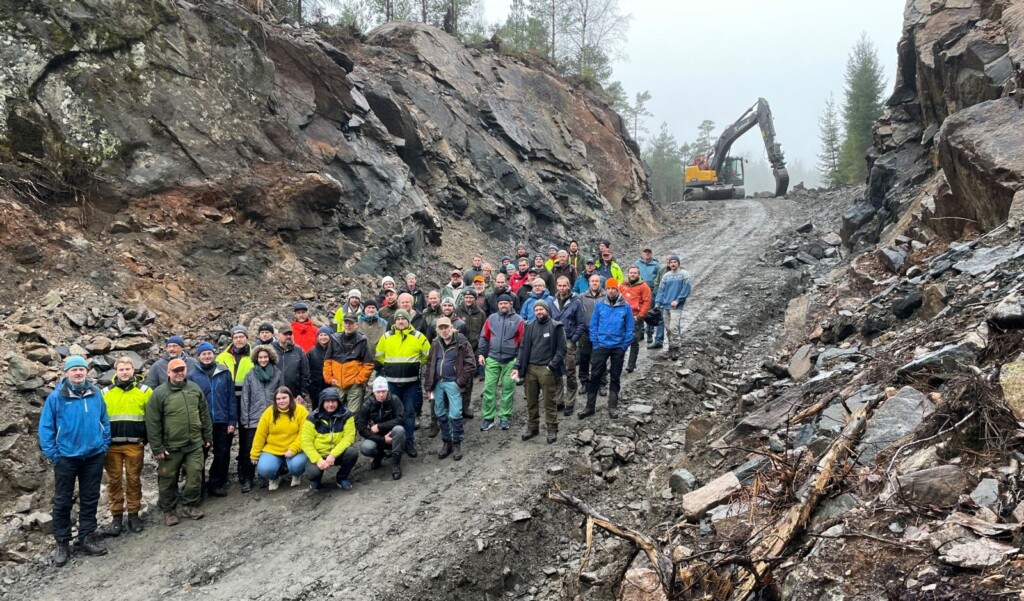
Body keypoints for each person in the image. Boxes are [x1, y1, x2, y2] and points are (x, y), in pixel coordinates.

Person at [39, 356, 110, 566]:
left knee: (90, 497)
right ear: (66, 373)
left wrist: (103, 444)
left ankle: (87, 537)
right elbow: (46, 427)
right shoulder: (56, 397)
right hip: (66, 457)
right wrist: (54, 454)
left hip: (93, 456)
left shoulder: (95, 393)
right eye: (74, 370)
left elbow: (104, 419)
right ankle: (62, 542)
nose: (78, 373)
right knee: (62, 500)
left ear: (87, 371)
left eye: (81, 369)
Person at [146, 358, 212, 525]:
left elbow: (204, 413)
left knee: (195, 476)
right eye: (175, 370)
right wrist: (157, 448)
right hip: (170, 447)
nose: (179, 373)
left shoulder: (194, 388)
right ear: (168, 372)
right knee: (167, 480)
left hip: (194, 444)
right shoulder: (159, 393)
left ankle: (190, 506)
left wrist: (207, 436)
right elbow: (152, 422)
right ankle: (169, 511)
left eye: (182, 370)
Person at [100, 356, 152, 536]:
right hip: (111, 447)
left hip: (134, 445)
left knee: (133, 480)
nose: (124, 372)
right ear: (116, 371)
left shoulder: (145, 391)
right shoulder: (105, 392)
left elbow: (152, 417)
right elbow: (98, 419)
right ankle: (116, 517)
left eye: (127, 369)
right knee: (114, 481)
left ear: (133, 370)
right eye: (121, 369)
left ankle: (133, 514)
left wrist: (146, 439)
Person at [375, 310, 430, 458]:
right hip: (392, 383)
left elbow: (426, 355)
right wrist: (390, 367)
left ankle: (409, 441)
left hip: (411, 384)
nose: (400, 321)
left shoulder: (418, 336)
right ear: (394, 322)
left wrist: (415, 366)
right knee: (392, 413)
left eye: (403, 319)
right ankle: (393, 441)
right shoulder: (386, 337)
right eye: (398, 319)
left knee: (409, 412)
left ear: (408, 321)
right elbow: (379, 355)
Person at [512, 301, 566, 444]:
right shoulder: (529, 326)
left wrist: (552, 366)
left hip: (546, 369)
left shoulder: (556, 326)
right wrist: (518, 366)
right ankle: (533, 427)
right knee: (531, 401)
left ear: (547, 310)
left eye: (541, 309)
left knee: (549, 401)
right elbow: (523, 347)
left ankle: (552, 429)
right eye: (536, 310)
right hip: (530, 368)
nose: (538, 312)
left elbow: (562, 349)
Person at [423, 317, 475, 461]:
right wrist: (428, 385)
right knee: (440, 412)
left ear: (451, 327)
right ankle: (447, 442)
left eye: (446, 327)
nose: (444, 330)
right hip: (438, 383)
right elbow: (430, 364)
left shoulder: (461, 342)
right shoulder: (435, 343)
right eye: (441, 328)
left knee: (455, 413)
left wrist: (460, 382)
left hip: (453, 382)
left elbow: (471, 364)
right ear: (437, 330)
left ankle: (457, 443)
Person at [581, 279, 633, 419]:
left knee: (615, 377)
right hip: (601, 346)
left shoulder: (625, 306)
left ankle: (612, 406)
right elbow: (593, 325)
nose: (610, 291)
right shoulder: (600, 305)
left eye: (613, 288)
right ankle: (589, 407)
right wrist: (595, 342)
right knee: (595, 375)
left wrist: (624, 346)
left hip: (618, 347)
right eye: (608, 288)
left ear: (617, 289)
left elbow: (629, 328)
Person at [191, 341, 236, 498]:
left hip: (222, 420)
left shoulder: (224, 373)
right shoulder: (192, 376)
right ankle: (200, 485)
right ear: (199, 356)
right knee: (200, 455)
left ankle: (217, 483)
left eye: (209, 353)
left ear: (213, 354)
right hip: (202, 423)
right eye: (203, 354)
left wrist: (232, 421)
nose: (207, 356)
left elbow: (231, 398)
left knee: (222, 453)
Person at [238, 345, 283, 492]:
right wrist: (245, 419)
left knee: (269, 447)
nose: (263, 360)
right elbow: (245, 398)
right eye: (260, 357)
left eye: (265, 357)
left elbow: (282, 396)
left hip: (272, 418)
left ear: (270, 358)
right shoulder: (250, 375)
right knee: (250, 449)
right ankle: (248, 478)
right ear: (256, 359)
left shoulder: (277, 374)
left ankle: (265, 475)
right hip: (254, 418)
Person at [478, 294, 524, 431]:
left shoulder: (519, 320)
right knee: (489, 389)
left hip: (510, 360)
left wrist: (518, 362)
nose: (503, 305)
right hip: (492, 358)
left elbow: (523, 343)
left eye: (506, 303)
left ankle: (504, 417)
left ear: (511, 304)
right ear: (497, 305)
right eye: (500, 303)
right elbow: (484, 337)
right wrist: (481, 353)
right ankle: (488, 418)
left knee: (508, 390)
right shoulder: (491, 319)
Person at [250, 387, 309, 490]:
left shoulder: (301, 411)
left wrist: (294, 448)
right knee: (264, 469)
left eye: (284, 398)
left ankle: (296, 474)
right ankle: (274, 478)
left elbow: (304, 434)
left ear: (290, 397)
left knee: (297, 465)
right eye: (278, 399)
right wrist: (255, 453)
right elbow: (260, 434)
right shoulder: (269, 412)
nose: (281, 401)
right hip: (273, 449)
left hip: (295, 449)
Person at [301, 387, 359, 490]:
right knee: (312, 473)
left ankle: (341, 478)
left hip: (337, 454)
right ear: (322, 402)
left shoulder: (346, 415)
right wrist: (318, 460)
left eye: (333, 401)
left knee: (352, 453)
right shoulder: (312, 418)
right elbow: (306, 442)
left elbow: (349, 437)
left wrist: (333, 454)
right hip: (319, 454)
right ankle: (316, 480)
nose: (331, 404)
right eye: (327, 401)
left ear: (338, 402)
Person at [357, 377, 407, 480]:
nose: (381, 395)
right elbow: (361, 429)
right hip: (376, 436)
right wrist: (382, 439)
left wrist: (380, 426)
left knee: (399, 430)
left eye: (383, 391)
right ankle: (379, 456)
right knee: (366, 448)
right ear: (374, 392)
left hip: (392, 433)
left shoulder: (394, 400)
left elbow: (401, 419)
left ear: (387, 391)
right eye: (378, 392)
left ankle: (396, 464)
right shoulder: (367, 404)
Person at [324, 313, 374, 413]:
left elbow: (368, 364)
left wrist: (358, 380)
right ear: (343, 324)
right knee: (334, 411)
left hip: (354, 386)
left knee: (353, 414)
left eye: (351, 323)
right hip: (337, 383)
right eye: (346, 322)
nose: (348, 325)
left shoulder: (362, 340)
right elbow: (327, 361)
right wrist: (329, 378)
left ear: (357, 325)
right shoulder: (335, 339)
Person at [549, 276, 583, 416]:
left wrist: (574, 340)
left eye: (564, 285)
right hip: (555, 341)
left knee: (570, 372)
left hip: (569, 341)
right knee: (556, 371)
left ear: (569, 286)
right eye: (560, 285)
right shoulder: (552, 302)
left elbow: (581, 323)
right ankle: (559, 400)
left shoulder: (576, 302)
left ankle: (570, 402)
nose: (562, 288)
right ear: (556, 286)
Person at [654, 254, 693, 357]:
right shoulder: (666, 276)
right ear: (669, 264)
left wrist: (678, 300)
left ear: (678, 263)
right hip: (666, 305)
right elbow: (661, 290)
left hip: (676, 306)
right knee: (668, 328)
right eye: (671, 262)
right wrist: (658, 302)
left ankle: (676, 348)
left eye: (675, 262)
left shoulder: (684, 274)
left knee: (674, 327)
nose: (673, 264)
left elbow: (687, 288)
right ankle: (671, 347)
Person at [458, 289, 486, 417]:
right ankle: (456, 407)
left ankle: (465, 407)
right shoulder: (458, 311)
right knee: (457, 379)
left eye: (471, 297)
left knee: (469, 380)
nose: (468, 300)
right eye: (466, 297)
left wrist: (480, 351)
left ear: (475, 298)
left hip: (473, 351)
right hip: (458, 351)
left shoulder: (481, 314)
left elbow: (483, 333)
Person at [578, 273, 606, 396]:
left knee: (600, 359)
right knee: (584, 358)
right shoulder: (582, 297)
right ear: (589, 283)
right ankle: (584, 382)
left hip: (601, 332)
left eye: (597, 281)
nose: (594, 283)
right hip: (586, 332)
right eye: (592, 281)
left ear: (600, 283)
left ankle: (602, 383)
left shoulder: (606, 296)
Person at [620, 266, 652, 373]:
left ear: (638, 274)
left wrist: (640, 316)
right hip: (622, 317)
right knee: (620, 340)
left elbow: (647, 302)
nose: (632, 274)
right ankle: (618, 363)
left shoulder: (644, 286)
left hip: (635, 317)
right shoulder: (623, 285)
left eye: (635, 273)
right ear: (628, 273)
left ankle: (631, 364)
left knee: (634, 341)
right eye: (631, 273)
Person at [273, 324, 310, 404]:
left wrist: (302, 394)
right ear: (278, 335)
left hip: (294, 397)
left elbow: (305, 374)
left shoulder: (299, 351)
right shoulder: (271, 349)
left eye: (290, 334)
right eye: (285, 334)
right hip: (275, 396)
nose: (288, 336)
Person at [217, 326, 253, 407]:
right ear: (232, 339)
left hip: (248, 399)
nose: (238, 340)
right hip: (227, 399)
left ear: (247, 338)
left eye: (241, 337)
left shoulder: (255, 356)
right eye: (236, 337)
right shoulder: (221, 358)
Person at [634, 249, 661, 344]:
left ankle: (649, 333)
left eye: (649, 252)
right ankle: (640, 333)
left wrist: (655, 289)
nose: (647, 254)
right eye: (645, 252)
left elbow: (659, 278)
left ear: (651, 253)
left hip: (651, 290)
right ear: (642, 253)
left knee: (649, 312)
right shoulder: (636, 264)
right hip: (639, 290)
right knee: (639, 311)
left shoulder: (656, 265)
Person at [306, 327, 333, 410]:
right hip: (315, 388)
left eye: (325, 335)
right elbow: (306, 370)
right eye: (321, 335)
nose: (323, 337)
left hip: (331, 386)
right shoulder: (311, 352)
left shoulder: (335, 351)